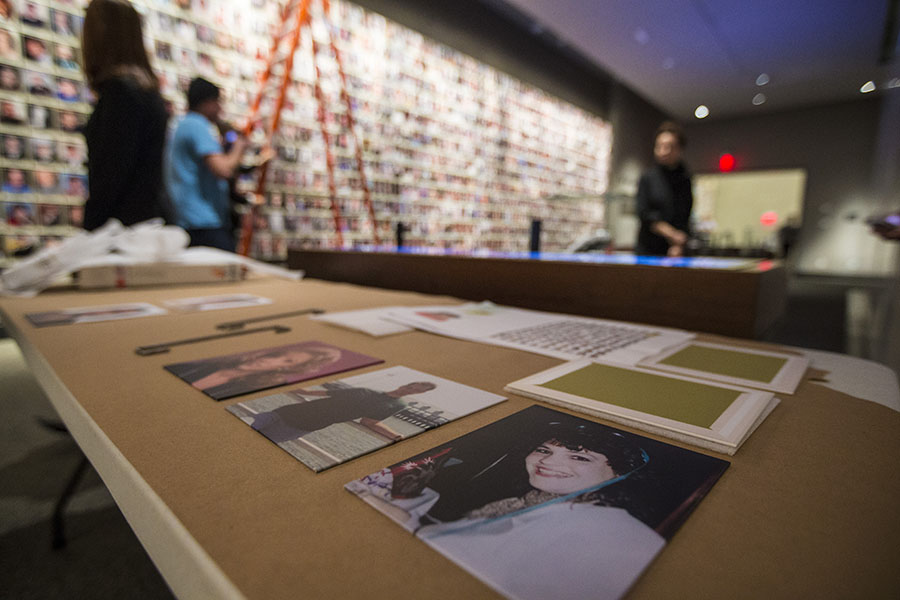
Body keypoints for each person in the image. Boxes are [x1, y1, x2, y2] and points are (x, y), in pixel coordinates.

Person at [349, 420, 664, 600]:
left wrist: (398, 514)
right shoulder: (528, 503)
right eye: (543, 449)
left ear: (621, 473)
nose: (547, 462)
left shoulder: (617, 534)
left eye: (580, 458)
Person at [81, 0, 171, 230]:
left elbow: (111, 174)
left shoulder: (121, 92)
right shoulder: (144, 90)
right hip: (142, 225)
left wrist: (89, 231)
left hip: (121, 231)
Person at [166, 77, 248, 250]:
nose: (220, 108)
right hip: (203, 222)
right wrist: (239, 147)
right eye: (217, 102)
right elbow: (223, 169)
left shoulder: (182, 124)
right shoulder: (197, 125)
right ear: (207, 102)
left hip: (190, 219)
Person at [250, 381, 437, 442]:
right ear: (406, 383)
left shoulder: (397, 406)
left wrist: (395, 435)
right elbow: (317, 392)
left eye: (417, 390)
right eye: (412, 385)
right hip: (283, 413)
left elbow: (369, 422)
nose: (411, 389)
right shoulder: (364, 391)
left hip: (301, 427)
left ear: (419, 393)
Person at [171, 343, 345, 400]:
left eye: (287, 361)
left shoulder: (255, 387)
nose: (269, 360)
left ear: (287, 368)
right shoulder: (205, 364)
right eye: (277, 354)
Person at [635, 121, 694, 256]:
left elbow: (685, 216)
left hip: (676, 249)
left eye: (669, 146)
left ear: (680, 149)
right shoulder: (648, 178)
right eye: (659, 146)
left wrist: (678, 244)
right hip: (648, 248)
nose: (663, 151)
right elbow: (644, 214)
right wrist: (672, 235)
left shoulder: (685, 179)